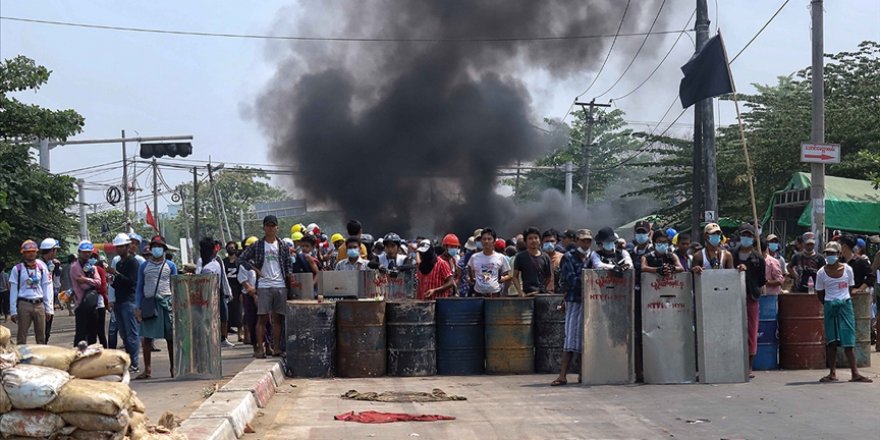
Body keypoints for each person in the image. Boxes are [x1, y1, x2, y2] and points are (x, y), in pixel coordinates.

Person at [238, 215, 295, 358]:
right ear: (264, 228)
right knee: (262, 318)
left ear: (277, 228)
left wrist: (289, 279)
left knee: (278, 318)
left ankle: (276, 348)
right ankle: (260, 349)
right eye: (268, 226)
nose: (270, 228)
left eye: (273, 225)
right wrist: (255, 269)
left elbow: (288, 265)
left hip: (280, 284)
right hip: (263, 285)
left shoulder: (282, 245)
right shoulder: (257, 245)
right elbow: (241, 259)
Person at [816, 241, 872, 383]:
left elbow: (849, 289)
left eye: (833, 253)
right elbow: (820, 294)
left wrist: (841, 301)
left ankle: (855, 373)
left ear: (839, 254)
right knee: (832, 342)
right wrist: (830, 303)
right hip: (830, 306)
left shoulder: (847, 270)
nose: (830, 256)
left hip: (845, 306)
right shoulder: (821, 273)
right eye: (828, 253)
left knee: (849, 341)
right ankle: (832, 373)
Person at [552, 229, 594, 386]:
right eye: (582, 240)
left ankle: (583, 374)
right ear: (576, 241)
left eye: (588, 240)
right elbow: (571, 280)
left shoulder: (592, 257)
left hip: (591, 302)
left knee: (587, 338)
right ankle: (563, 375)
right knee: (570, 337)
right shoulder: (568, 258)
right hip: (575, 301)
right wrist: (592, 283)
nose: (585, 243)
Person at [135, 236, 178, 379]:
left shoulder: (170, 266)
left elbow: (175, 286)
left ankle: (174, 368)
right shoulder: (144, 266)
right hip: (149, 304)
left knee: (170, 338)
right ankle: (147, 370)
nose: (156, 249)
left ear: (164, 249)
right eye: (154, 246)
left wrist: (176, 304)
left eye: (159, 246)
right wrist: (138, 307)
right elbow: (139, 287)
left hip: (166, 304)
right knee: (146, 338)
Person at [731, 224, 766, 379]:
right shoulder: (731, 255)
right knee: (733, 330)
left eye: (749, 235)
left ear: (753, 238)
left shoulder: (758, 258)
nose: (746, 238)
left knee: (751, 331)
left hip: (751, 296)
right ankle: (733, 363)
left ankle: (749, 365)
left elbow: (761, 280)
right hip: (732, 297)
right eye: (744, 235)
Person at [108, 233, 142, 374]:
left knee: (132, 334)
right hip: (120, 301)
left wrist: (116, 274)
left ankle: (134, 363)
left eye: (121, 247)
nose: (119, 249)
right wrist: (112, 280)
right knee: (123, 334)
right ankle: (128, 361)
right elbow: (119, 284)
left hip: (129, 301)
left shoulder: (132, 262)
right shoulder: (120, 262)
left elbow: (131, 282)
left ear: (127, 247)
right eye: (117, 247)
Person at [9, 240, 52, 344]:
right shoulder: (17, 269)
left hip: (39, 304)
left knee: (41, 336)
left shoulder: (42, 268)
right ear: (23, 253)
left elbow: (46, 288)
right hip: (24, 304)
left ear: (36, 252)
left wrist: (49, 308)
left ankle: (41, 358)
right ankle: (21, 358)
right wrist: (13, 311)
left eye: (33, 251)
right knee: (22, 336)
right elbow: (13, 291)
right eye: (28, 251)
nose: (31, 253)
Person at [70, 240, 103, 346]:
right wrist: (89, 281)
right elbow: (83, 285)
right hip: (81, 304)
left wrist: (86, 279)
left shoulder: (93, 267)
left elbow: (99, 283)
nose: (87, 254)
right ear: (79, 252)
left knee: (93, 334)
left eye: (89, 252)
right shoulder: (75, 267)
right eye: (84, 252)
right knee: (81, 335)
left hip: (93, 306)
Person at [467, 228, 512, 297]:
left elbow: (509, 275)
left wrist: (502, 279)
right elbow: (470, 274)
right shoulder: (474, 257)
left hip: (495, 294)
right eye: (484, 239)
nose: (486, 241)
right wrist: (472, 280)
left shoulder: (500, 257)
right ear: (481, 241)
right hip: (479, 295)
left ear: (494, 241)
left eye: (489, 239)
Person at [512, 227, 552, 295]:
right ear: (525, 241)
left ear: (539, 240)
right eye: (530, 238)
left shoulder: (545, 257)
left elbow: (549, 276)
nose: (533, 240)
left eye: (536, 238)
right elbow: (515, 276)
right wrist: (520, 292)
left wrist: (542, 289)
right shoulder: (520, 257)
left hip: (541, 295)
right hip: (526, 294)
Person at [238, 236, 259, 347]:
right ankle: (255, 344)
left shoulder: (261, 261)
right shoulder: (244, 264)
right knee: (251, 319)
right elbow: (244, 281)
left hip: (262, 293)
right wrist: (253, 293)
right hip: (249, 295)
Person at [38, 238, 59, 343]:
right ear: (51, 251)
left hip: (47, 303)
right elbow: (44, 287)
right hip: (42, 304)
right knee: (43, 334)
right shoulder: (40, 265)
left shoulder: (48, 264)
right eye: (56, 250)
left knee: (46, 333)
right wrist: (48, 308)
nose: (56, 253)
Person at [224, 241, 244, 343]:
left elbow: (242, 277)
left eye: (232, 247)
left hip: (237, 289)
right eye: (229, 247)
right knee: (227, 313)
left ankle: (240, 334)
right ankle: (225, 335)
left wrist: (241, 291)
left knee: (238, 313)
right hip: (227, 290)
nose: (230, 249)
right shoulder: (223, 262)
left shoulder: (239, 262)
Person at [92, 250, 109, 348]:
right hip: (88, 305)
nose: (91, 258)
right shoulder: (81, 269)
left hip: (99, 304)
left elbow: (103, 288)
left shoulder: (99, 269)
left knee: (100, 332)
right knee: (90, 332)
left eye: (93, 256)